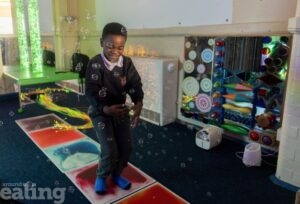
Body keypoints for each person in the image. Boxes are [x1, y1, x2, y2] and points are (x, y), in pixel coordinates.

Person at [85, 22, 144, 195]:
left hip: (120, 111)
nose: (115, 51)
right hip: (100, 112)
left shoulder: (126, 63)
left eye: (120, 47)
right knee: (110, 149)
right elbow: (91, 91)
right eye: (110, 46)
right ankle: (102, 176)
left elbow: (135, 84)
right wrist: (104, 109)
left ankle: (117, 174)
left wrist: (138, 102)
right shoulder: (95, 64)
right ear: (101, 42)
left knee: (126, 147)